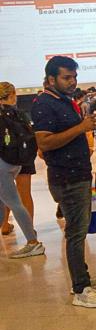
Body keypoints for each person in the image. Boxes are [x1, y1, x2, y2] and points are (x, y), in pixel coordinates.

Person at [32, 56, 96, 307]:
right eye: (67, 77)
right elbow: (44, 142)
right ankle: (80, 289)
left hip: (78, 174)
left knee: (79, 231)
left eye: (74, 77)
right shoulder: (44, 104)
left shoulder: (64, 101)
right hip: (66, 178)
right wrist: (81, 128)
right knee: (75, 233)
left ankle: (82, 277)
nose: (72, 82)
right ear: (51, 78)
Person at [0, 82, 44, 258]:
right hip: (16, 163)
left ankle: (33, 242)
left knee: (14, 203)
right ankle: (32, 239)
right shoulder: (19, 114)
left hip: (2, 164)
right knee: (3, 202)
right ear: (12, 95)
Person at [0, 84, 36, 238]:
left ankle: (30, 239)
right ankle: (30, 227)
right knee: (23, 193)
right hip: (23, 158)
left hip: (5, 160)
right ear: (13, 95)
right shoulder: (20, 114)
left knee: (9, 199)